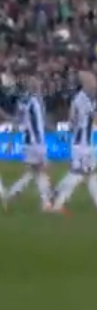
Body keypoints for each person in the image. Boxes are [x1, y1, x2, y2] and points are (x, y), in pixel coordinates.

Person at [51, 72, 97, 215]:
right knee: (80, 174)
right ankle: (58, 199)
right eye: (93, 82)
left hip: (85, 142)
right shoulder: (82, 100)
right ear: (86, 84)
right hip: (81, 144)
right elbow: (95, 117)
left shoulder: (85, 98)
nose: (95, 85)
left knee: (88, 174)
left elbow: (72, 120)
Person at [1, 78, 54, 212]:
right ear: (32, 86)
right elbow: (18, 121)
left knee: (35, 171)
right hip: (34, 142)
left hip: (33, 141)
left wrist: (10, 141)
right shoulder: (31, 101)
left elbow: (18, 121)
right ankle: (45, 202)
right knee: (43, 170)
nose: (39, 85)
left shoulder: (28, 101)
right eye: (37, 84)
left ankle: (15, 193)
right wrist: (10, 141)